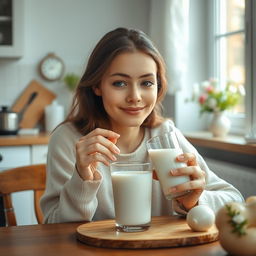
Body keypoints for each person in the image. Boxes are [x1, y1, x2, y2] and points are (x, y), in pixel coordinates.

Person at [40, 27, 243, 223]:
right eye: (120, 83)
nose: (135, 97)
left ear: (158, 85)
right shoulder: (69, 140)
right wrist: (81, 179)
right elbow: (54, 226)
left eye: (146, 83)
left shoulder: (165, 134)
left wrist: (195, 202)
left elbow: (234, 199)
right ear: (97, 86)